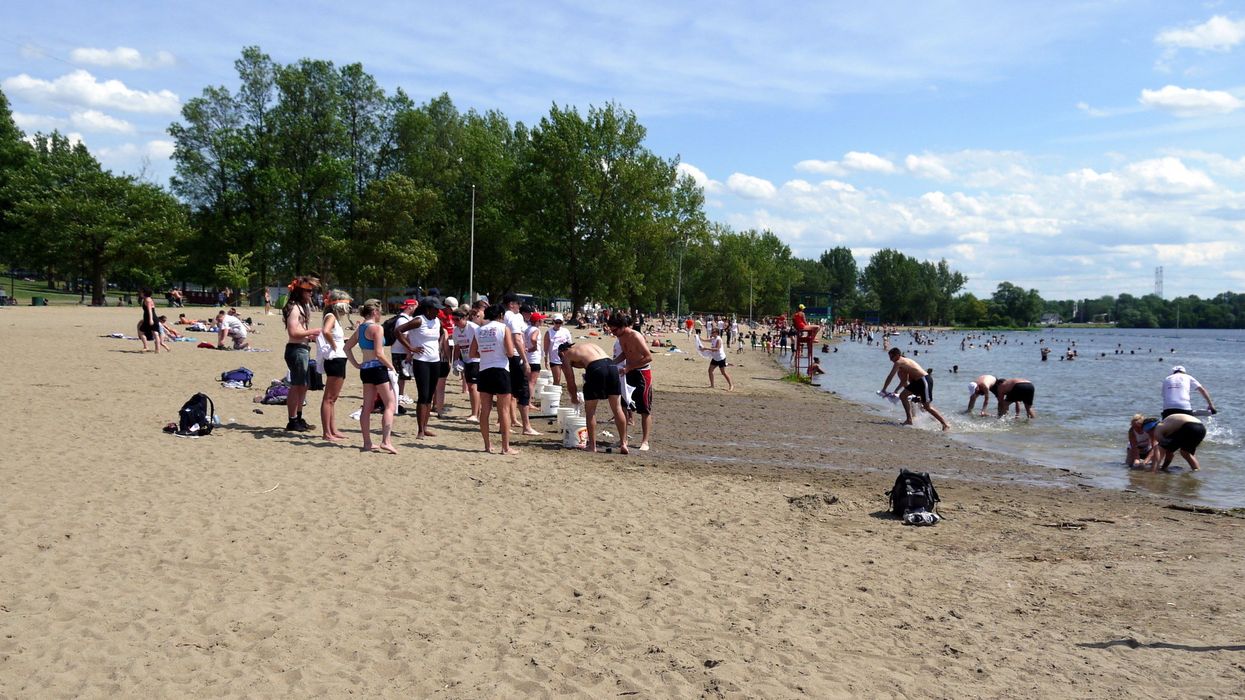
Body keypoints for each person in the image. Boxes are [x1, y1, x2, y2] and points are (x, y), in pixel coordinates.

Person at [344, 298, 397, 453]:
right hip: (378, 369)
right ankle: (386, 441)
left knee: (367, 407)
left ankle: (367, 443)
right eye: (380, 311)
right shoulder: (376, 328)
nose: (381, 315)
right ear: (374, 311)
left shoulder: (360, 328)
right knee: (390, 404)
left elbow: (347, 348)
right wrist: (391, 366)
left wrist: (356, 364)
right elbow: (379, 354)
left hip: (365, 369)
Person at [560, 341, 628, 453]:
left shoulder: (566, 355)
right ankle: (623, 443)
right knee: (617, 408)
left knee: (590, 410)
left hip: (595, 368)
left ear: (562, 352)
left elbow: (570, 380)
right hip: (611, 366)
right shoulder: (587, 346)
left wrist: (573, 397)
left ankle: (592, 446)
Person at [469, 303, 519, 454]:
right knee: (503, 410)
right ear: (501, 316)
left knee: (485, 410)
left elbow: (472, 353)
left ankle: (487, 445)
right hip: (501, 370)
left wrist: (485, 354)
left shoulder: (479, 330)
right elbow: (510, 352)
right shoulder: (503, 328)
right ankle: (505, 447)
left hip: (484, 370)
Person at [396, 297, 444, 439]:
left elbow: (442, 334)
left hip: (435, 361)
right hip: (421, 361)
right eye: (436, 309)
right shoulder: (419, 320)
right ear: (428, 309)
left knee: (429, 395)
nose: (438, 312)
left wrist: (440, 348)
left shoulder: (437, 321)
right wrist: (410, 347)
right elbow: (398, 331)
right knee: (423, 395)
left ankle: (425, 427)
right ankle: (420, 430)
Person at [607, 312, 654, 450]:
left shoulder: (635, 336)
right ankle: (623, 440)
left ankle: (645, 441)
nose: (613, 333)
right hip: (629, 372)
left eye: (615, 330)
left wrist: (629, 367)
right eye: (611, 330)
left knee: (644, 408)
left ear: (622, 326)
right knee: (623, 406)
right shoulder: (621, 337)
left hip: (642, 373)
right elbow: (625, 353)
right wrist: (612, 363)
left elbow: (648, 357)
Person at [282, 276, 322, 432]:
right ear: (300, 291)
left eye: (312, 291)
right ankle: (292, 420)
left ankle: (298, 417)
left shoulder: (301, 307)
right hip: (296, 350)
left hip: (303, 349)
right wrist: (313, 331)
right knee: (296, 386)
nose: (311, 294)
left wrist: (311, 337)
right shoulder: (294, 308)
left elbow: (300, 331)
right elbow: (293, 332)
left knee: (303, 386)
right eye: (308, 291)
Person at [881, 347, 950, 431]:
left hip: (924, 380)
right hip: (917, 382)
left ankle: (945, 424)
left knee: (927, 407)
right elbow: (904, 381)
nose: (891, 360)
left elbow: (890, 376)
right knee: (903, 396)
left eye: (892, 357)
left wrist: (884, 389)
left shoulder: (899, 362)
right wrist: (895, 391)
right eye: (890, 357)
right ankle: (909, 420)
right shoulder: (903, 363)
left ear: (898, 355)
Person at [503, 295, 539, 436]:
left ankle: (505, 422)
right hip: (515, 357)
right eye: (518, 304)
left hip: (505, 357)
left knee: (507, 391)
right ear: (511, 304)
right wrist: (525, 360)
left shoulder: (502, 317)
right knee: (523, 391)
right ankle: (527, 426)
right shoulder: (514, 317)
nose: (519, 306)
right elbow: (517, 339)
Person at [318, 290, 351, 442]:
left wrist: (342, 340)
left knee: (333, 399)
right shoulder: (330, 316)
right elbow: (325, 331)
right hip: (335, 359)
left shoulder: (335, 318)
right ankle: (327, 433)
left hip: (339, 358)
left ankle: (333, 429)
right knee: (329, 398)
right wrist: (334, 345)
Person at [1141, 413, 1206, 472]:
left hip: (1188, 426)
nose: (1149, 435)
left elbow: (1164, 451)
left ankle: (1154, 471)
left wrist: (1161, 467)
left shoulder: (1157, 429)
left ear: (1149, 429)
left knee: (1160, 448)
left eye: (1147, 432)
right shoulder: (1167, 424)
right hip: (1201, 429)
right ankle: (1196, 470)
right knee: (1185, 452)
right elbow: (1169, 451)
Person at [452, 307, 481, 422]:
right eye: (453, 319)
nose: (455, 321)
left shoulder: (474, 328)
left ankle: (475, 414)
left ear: (465, 318)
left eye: (457, 319)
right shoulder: (456, 330)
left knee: (473, 387)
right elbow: (457, 347)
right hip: (466, 360)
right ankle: (475, 412)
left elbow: (480, 343)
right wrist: (455, 361)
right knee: (470, 386)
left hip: (476, 360)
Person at [391, 299, 418, 406]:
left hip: (401, 350)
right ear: (410, 307)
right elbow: (405, 337)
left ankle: (400, 395)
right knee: (400, 376)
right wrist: (409, 352)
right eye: (415, 306)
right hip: (400, 351)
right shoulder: (402, 320)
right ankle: (398, 396)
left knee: (403, 376)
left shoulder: (406, 318)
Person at [521, 304, 543, 401]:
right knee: (532, 382)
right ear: (537, 321)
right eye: (541, 320)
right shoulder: (536, 330)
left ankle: (525, 400)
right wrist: (534, 347)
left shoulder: (527, 329)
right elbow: (533, 338)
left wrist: (527, 348)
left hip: (527, 358)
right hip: (534, 359)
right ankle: (529, 401)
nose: (542, 321)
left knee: (526, 381)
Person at [543, 313, 573, 386]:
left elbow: (570, 344)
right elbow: (545, 348)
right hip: (554, 359)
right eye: (557, 322)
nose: (558, 324)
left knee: (569, 378)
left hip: (565, 359)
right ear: (553, 321)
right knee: (557, 379)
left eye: (560, 322)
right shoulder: (549, 332)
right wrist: (546, 359)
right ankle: (557, 394)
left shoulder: (565, 331)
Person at [137, 288, 168, 353]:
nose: (140, 293)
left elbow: (150, 310)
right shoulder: (148, 299)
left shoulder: (147, 300)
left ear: (145, 293)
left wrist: (151, 319)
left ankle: (146, 347)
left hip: (150, 318)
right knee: (155, 333)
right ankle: (157, 349)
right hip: (150, 318)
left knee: (141, 332)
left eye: (142, 292)